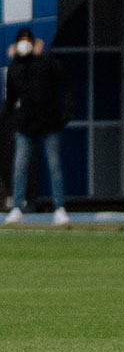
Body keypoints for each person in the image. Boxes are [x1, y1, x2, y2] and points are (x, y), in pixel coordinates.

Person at [2, 30, 70, 226]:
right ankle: (16, 207)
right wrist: (4, 119)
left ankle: (59, 207)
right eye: (21, 41)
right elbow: (11, 99)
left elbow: (65, 84)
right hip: (25, 124)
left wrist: (67, 112)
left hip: (48, 122)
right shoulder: (14, 68)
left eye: (27, 41)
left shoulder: (46, 63)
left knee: (54, 166)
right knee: (20, 166)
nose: (25, 44)